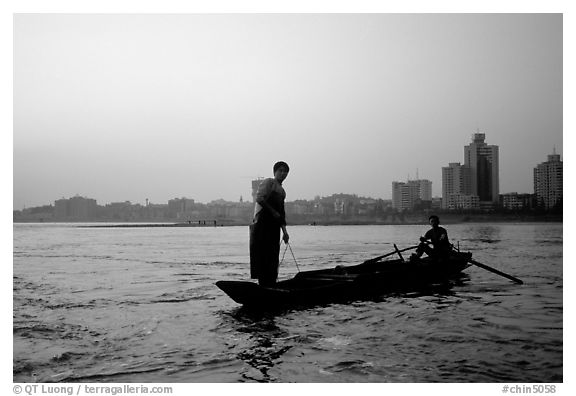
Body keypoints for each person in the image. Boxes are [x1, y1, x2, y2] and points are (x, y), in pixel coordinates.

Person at [249, 161, 290, 286]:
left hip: (274, 227)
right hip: (262, 224)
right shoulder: (268, 183)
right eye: (280, 171)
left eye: (285, 172)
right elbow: (260, 199)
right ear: (275, 172)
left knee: (273, 255)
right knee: (263, 254)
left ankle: (271, 282)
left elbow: (281, 213)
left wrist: (285, 232)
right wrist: (273, 212)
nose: (283, 173)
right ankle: (263, 283)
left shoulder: (282, 192)